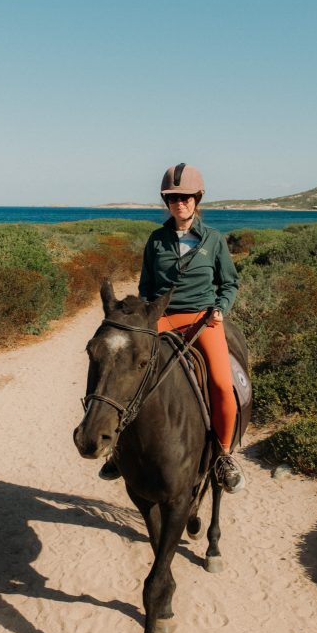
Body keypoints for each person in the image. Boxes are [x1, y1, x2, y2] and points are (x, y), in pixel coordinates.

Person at [99, 162, 246, 494]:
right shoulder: (156, 241)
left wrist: (220, 309)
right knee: (129, 374)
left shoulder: (214, 240)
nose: (180, 203)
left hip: (202, 319)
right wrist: (144, 319)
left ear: (197, 199)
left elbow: (230, 284)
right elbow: (147, 287)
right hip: (162, 319)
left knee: (222, 384)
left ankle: (223, 455)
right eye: (173, 198)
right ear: (166, 202)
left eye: (186, 197)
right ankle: (119, 451)